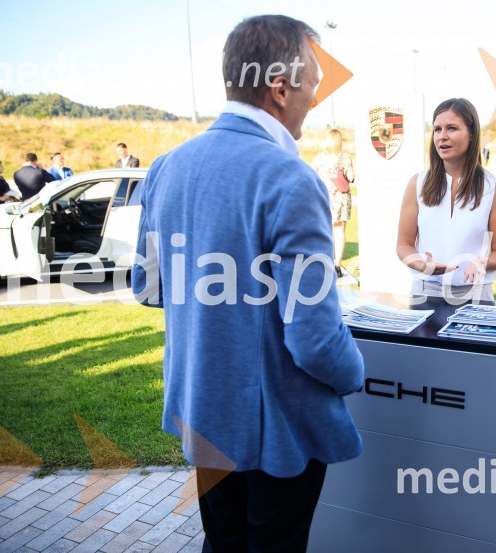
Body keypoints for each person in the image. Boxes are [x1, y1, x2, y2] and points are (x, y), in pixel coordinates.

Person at [131, 15, 364, 553]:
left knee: (223, 543)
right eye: (313, 82)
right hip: (276, 429)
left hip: (202, 414)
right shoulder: (290, 177)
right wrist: (356, 373)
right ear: (281, 88)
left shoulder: (166, 166)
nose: (314, 96)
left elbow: (147, 288)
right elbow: (315, 339)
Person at [396, 98, 496, 302]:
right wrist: (421, 264)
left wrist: (481, 262)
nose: (442, 136)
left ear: (472, 134)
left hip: (476, 293)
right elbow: (404, 245)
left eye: (452, 128)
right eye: (437, 129)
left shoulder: (494, 188)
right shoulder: (417, 183)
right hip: (425, 291)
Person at [312, 129, 355, 276]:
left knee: (324, 230)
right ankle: (337, 266)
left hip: (323, 197)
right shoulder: (344, 157)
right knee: (339, 232)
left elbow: (313, 176)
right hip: (340, 199)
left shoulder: (319, 158)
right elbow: (351, 176)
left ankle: (324, 262)